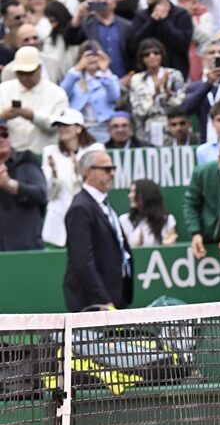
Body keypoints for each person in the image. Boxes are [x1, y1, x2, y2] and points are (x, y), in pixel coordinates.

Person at [63, 150, 133, 311]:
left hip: (114, 294)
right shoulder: (81, 208)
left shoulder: (103, 203)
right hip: (93, 303)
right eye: (107, 169)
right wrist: (102, 300)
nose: (112, 173)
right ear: (88, 172)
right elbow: (83, 261)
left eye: (113, 168)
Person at [41, 109, 104, 247]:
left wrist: (79, 173)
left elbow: (99, 188)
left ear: (78, 128)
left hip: (87, 219)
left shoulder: (95, 150)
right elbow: (49, 194)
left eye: (66, 125)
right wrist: (55, 175)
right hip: (58, 226)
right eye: (59, 126)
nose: (61, 129)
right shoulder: (50, 152)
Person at [0, 47, 68, 154]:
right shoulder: (3, 89)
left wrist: (33, 116)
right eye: (20, 73)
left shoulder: (57, 94)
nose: (25, 78)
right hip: (8, 156)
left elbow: (57, 127)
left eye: (29, 73)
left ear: (39, 68)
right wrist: (2, 116)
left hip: (42, 154)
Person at [127, 0, 195, 77]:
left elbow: (184, 43)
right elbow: (133, 44)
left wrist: (165, 22)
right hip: (146, 76)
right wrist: (152, 22)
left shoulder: (181, 15)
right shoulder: (141, 16)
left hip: (176, 73)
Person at [127, 38, 187, 146]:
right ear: (142, 58)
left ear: (162, 55)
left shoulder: (174, 75)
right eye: (147, 54)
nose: (152, 56)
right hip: (146, 130)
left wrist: (167, 94)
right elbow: (138, 112)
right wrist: (154, 95)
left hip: (172, 129)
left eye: (156, 53)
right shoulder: (136, 80)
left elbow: (181, 105)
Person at [59, 41, 120, 143]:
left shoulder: (108, 78)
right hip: (80, 130)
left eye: (95, 55)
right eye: (87, 56)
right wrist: (78, 68)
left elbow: (115, 96)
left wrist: (105, 70)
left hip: (103, 129)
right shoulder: (74, 78)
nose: (92, 59)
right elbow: (62, 93)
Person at [0, 116, 46, 251]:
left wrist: (9, 184)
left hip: (26, 248)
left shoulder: (26, 160)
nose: (1, 139)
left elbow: (40, 194)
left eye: (5, 134)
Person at [67, 0, 132, 78]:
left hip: (123, 79)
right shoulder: (86, 24)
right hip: (95, 80)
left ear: (114, 2)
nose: (102, 1)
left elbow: (133, 54)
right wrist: (79, 15)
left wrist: (129, 75)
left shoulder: (127, 26)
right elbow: (70, 39)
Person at [119, 178, 179, 247]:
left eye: (134, 192)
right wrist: (135, 246)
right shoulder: (124, 220)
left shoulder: (167, 219)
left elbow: (172, 245)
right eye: (131, 192)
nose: (130, 196)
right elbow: (121, 249)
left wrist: (165, 245)